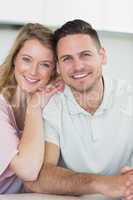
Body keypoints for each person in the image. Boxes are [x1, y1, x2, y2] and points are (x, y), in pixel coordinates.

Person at [25, 19, 133, 199]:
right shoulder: (53, 105)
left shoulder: (129, 97)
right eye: (67, 59)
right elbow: (41, 176)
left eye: (85, 55)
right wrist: (103, 184)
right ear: (58, 68)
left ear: (102, 56)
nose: (78, 66)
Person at [0, 23, 62, 193]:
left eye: (45, 64)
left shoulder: (50, 102)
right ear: (14, 59)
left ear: (54, 70)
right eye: (27, 59)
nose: (33, 71)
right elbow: (28, 170)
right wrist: (34, 107)